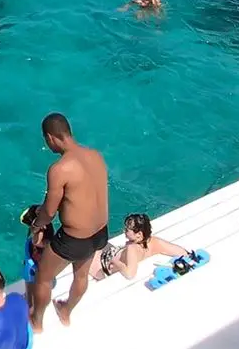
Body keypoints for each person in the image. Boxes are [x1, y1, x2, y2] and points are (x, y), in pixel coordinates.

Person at [29, 113, 109, 332]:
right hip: (100, 233)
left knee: (43, 278)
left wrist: (36, 225)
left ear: (51, 137)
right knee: (81, 275)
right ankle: (65, 311)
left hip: (75, 238)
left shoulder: (59, 169)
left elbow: (49, 212)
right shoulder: (96, 155)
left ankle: (36, 323)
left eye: (47, 141)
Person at [90, 213, 187, 280]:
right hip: (114, 254)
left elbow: (129, 274)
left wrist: (115, 261)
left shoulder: (132, 248)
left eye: (127, 230)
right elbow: (182, 252)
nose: (124, 231)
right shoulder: (154, 241)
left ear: (139, 234)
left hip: (104, 264)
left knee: (85, 248)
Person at [19, 205, 55, 311]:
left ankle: (30, 303)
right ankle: (32, 300)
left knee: (31, 282)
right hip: (41, 263)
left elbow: (36, 241)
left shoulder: (39, 239)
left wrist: (36, 230)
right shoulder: (48, 232)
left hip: (36, 266)